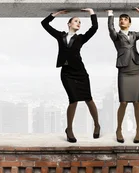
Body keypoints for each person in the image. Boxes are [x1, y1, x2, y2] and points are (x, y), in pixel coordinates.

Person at [41, 8, 101, 143]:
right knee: (73, 100)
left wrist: (91, 12)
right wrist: (55, 14)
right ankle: (69, 129)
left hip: (80, 72)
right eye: (76, 21)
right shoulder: (60, 36)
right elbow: (44, 24)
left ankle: (97, 125)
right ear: (69, 24)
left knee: (88, 99)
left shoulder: (81, 38)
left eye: (80, 22)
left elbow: (95, 27)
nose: (78, 23)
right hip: (66, 73)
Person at [106, 7, 139, 143]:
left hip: (136, 68)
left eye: (125, 19)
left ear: (129, 23)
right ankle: (119, 129)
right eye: (121, 19)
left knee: (137, 102)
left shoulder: (134, 35)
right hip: (124, 70)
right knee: (123, 102)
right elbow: (110, 28)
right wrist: (110, 14)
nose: (122, 21)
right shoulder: (116, 36)